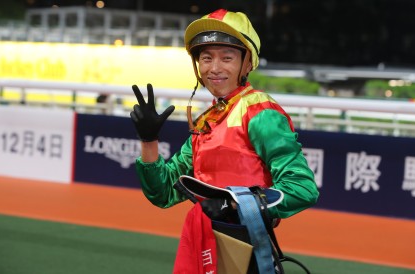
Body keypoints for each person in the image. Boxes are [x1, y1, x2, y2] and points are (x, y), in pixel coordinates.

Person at [130, 8, 319, 273]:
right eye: (206, 58)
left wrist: (235, 204)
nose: (214, 68)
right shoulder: (208, 120)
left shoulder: (261, 113)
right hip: (200, 237)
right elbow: (163, 193)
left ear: (247, 63)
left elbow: (302, 188)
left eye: (227, 58)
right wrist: (149, 141)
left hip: (243, 246)